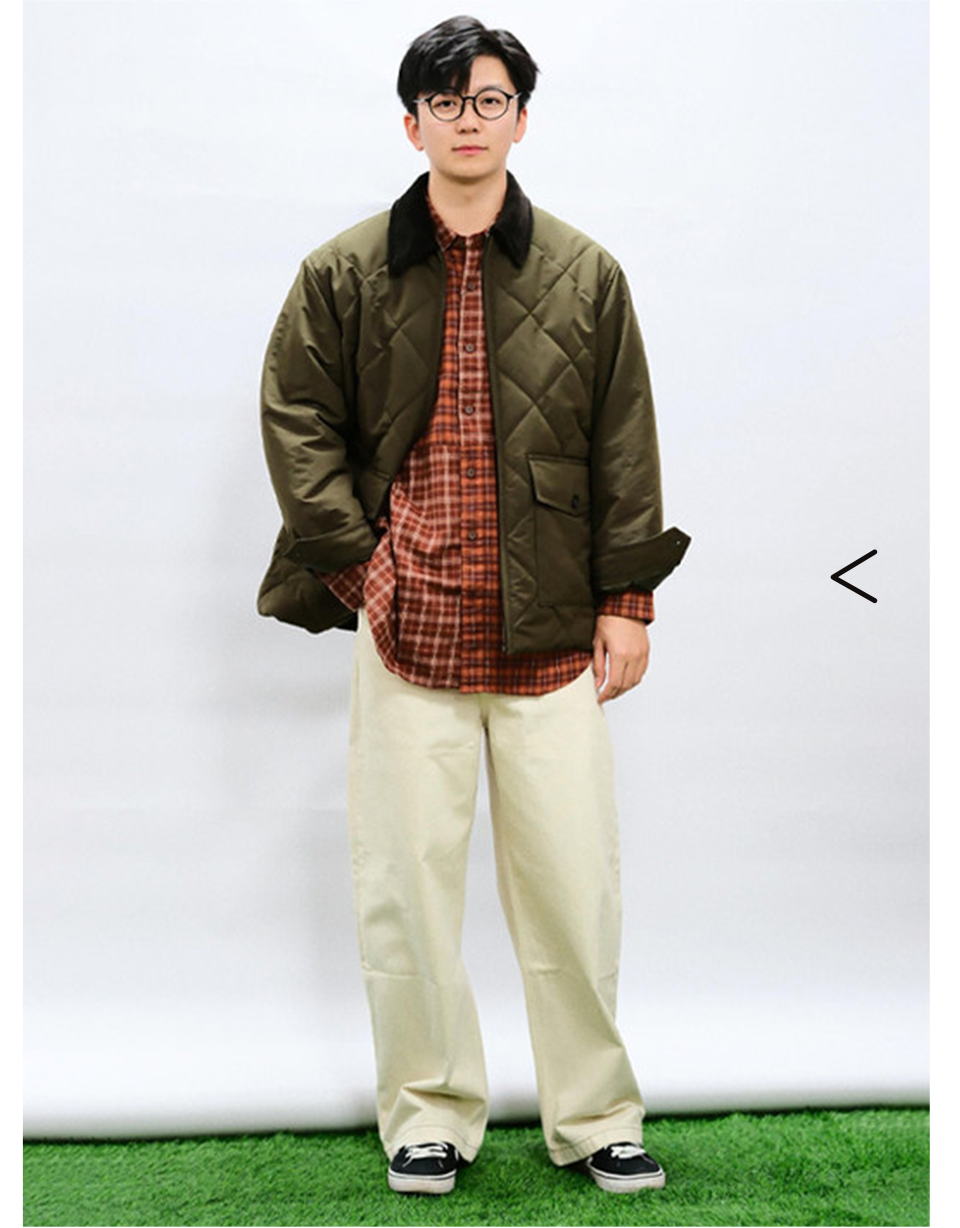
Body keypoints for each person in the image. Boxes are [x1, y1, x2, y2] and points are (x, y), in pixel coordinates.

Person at [258, 14, 690, 1197]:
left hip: (552, 631)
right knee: (405, 887)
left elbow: (625, 442)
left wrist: (628, 598)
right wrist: (363, 570)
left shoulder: (585, 273)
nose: (468, 119)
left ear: (520, 120)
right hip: (410, 626)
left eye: (489, 99)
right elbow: (297, 423)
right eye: (445, 102)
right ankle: (427, 1113)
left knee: (573, 888)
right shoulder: (343, 271)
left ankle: (596, 1117)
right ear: (412, 125)